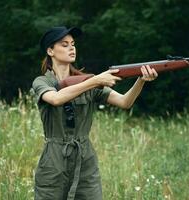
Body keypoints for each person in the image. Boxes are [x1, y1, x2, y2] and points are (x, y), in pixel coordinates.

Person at [32, 26, 158, 200]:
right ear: (50, 51)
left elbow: (125, 102)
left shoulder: (89, 81)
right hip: (53, 160)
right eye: (64, 44)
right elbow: (56, 99)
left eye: (73, 44)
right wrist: (95, 80)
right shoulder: (42, 81)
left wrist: (141, 80)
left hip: (85, 158)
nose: (71, 48)